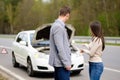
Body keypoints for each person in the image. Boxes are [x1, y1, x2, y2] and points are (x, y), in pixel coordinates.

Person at [49, 6, 71, 80]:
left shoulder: (56, 26)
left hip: (60, 63)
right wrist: (66, 63)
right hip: (61, 64)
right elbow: (60, 48)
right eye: (68, 17)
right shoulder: (58, 27)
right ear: (67, 15)